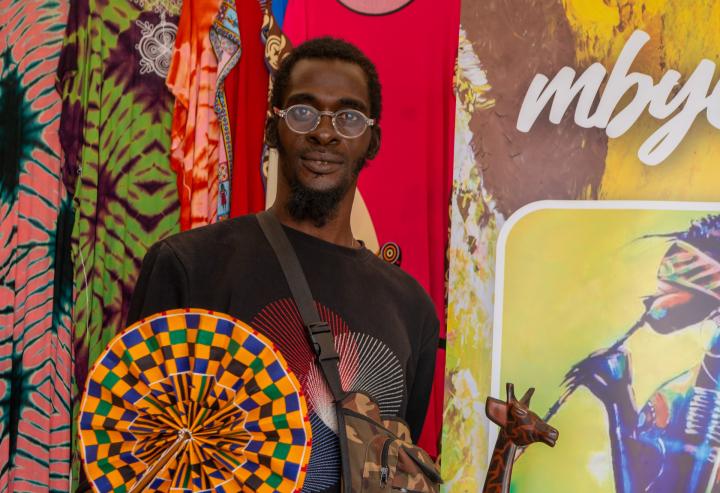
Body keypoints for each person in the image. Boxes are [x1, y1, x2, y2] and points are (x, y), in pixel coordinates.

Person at [126, 36, 439, 493]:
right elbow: (129, 446)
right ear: (272, 129)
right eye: (302, 112)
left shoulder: (411, 308)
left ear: (373, 141)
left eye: (349, 117)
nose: (324, 133)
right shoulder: (191, 267)